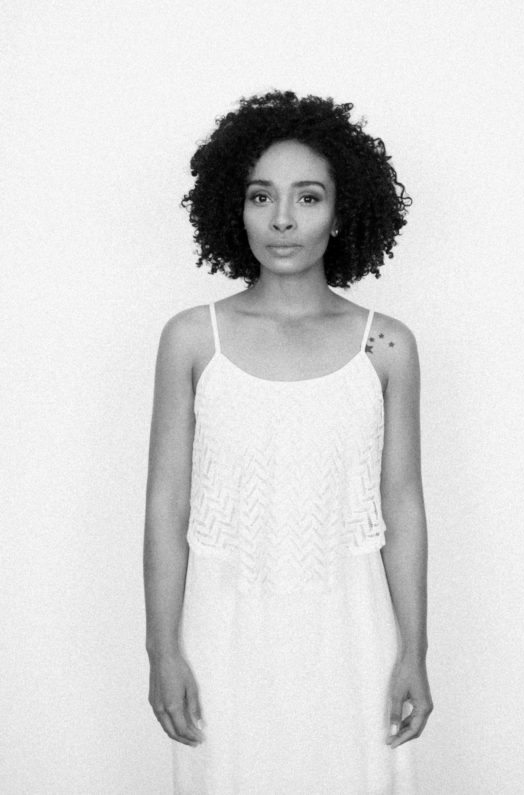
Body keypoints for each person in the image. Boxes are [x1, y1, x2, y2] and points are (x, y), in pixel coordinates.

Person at [143, 89, 433, 794]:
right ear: (233, 208)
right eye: (260, 196)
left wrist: (414, 651)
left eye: (307, 197)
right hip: (221, 634)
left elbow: (402, 506)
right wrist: (162, 651)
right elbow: (166, 506)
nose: (282, 218)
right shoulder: (193, 338)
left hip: (354, 634)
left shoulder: (386, 346)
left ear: (341, 211)